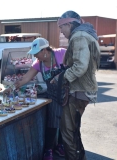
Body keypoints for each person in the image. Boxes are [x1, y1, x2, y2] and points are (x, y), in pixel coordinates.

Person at [55, 10, 100, 160]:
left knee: (68, 132)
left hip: (78, 90)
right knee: (74, 131)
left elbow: (80, 66)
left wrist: (61, 77)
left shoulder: (79, 36)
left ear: (69, 24)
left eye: (61, 28)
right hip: (82, 90)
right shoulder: (85, 34)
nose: (61, 32)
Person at [14, 37, 66, 160]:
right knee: (53, 123)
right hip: (52, 95)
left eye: (36, 53)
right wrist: (14, 86)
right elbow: (26, 78)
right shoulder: (38, 64)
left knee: (66, 122)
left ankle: (61, 145)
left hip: (68, 94)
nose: (35, 56)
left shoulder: (62, 53)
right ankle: (48, 150)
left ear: (44, 51)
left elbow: (76, 65)